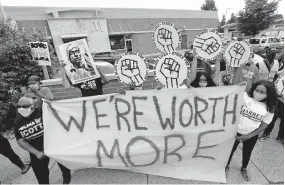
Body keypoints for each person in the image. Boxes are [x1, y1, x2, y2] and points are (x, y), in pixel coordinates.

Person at [226, 80, 278, 181]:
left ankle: (244, 167)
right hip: (235, 131)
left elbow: (264, 125)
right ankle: (226, 165)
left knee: (247, 152)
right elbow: (230, 98)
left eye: (262, 92)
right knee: (230, 150)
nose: (258, 93)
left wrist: (248, 136)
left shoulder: (269, 108)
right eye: (257, 90)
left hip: (251, 135)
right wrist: (238, 88)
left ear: (268, 94)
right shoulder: (245, 96)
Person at [14, 96, 71, 184]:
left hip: (54, 144)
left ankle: (66, 177)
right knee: (40, 173)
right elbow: (21, 141)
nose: (22, 109)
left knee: (63, 164)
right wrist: (36, 152)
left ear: (33, 106)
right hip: (37, 150)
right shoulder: (17, 122)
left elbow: (54, 108)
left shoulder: (43, 111)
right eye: (20, 106)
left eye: (25, 106)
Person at [259, 53, 284, 143]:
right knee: (272, 118)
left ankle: (281, 137)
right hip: (279, 99)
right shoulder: (282, 70)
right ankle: (266, 133)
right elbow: (276, 77)